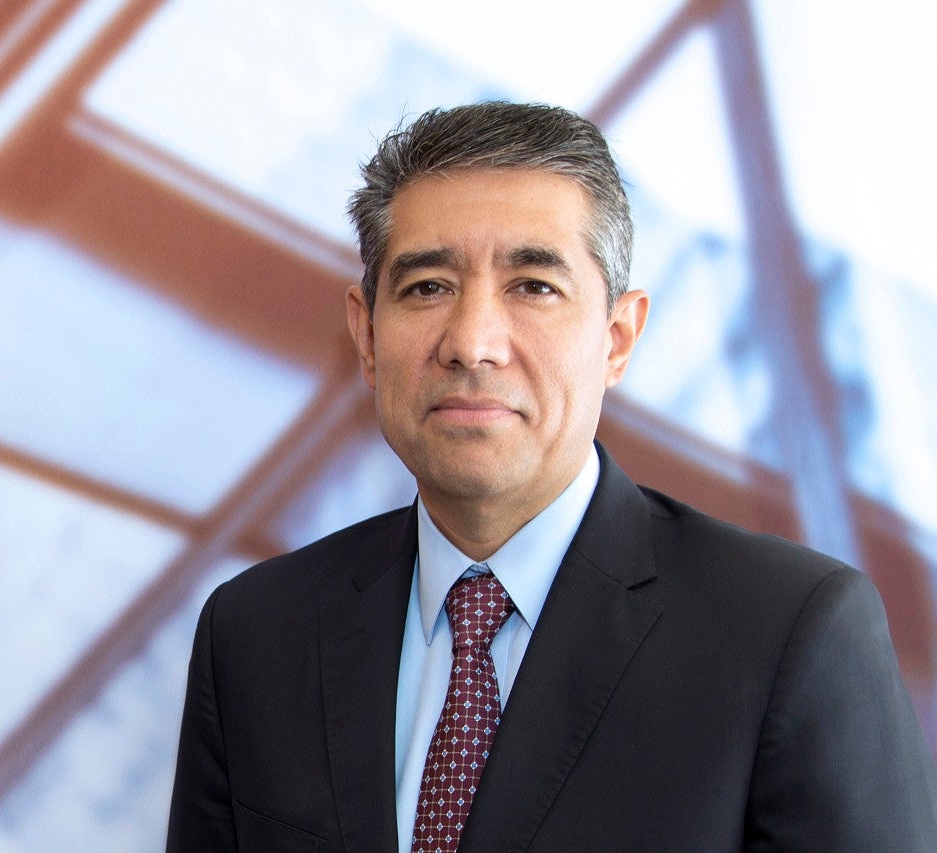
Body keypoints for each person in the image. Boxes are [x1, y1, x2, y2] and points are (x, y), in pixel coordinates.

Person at [166, 101, 937, 852]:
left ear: (617, 338)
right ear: (367, 336)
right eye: (428, 286)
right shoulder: (257, 633)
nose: (472, 343)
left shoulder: (788, 633)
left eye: (533, 285)